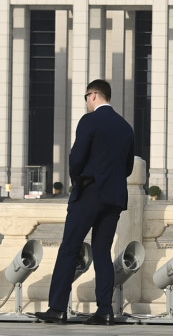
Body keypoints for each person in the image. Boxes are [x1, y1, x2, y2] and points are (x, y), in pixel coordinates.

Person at [36, 79, 134, 326]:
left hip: (90, 193)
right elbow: (129, 167)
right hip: (114, 198)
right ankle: (105, 310)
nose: (86, 103)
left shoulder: (90, 121)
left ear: (93, 96)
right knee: (102, 251)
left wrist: (78, 181)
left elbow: (76, 156)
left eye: (86, 98)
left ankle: (58, 308)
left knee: (70, 248)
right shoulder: (125, 127)